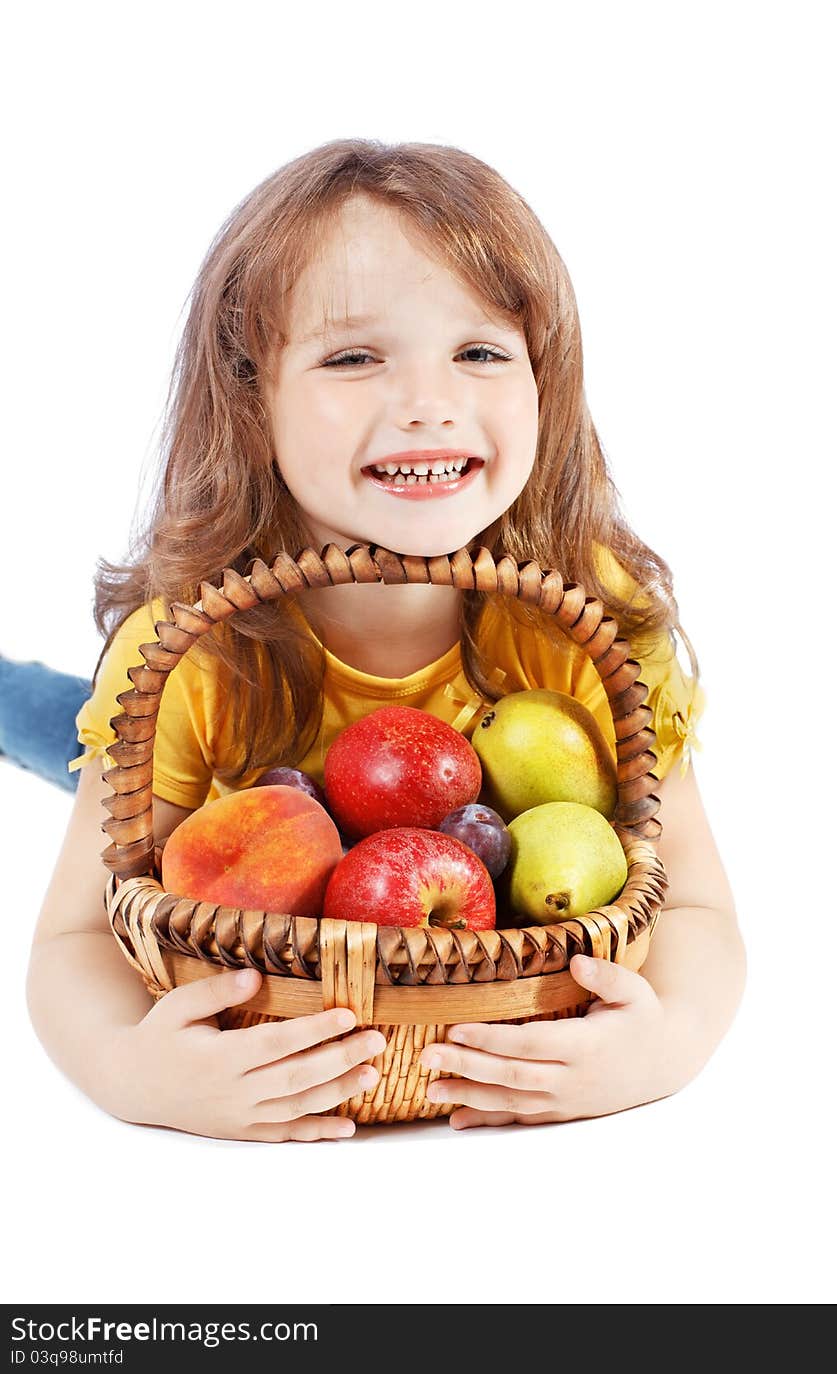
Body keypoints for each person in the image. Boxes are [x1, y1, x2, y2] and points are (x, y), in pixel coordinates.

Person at [19, 138, 745, 1142]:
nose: (427, 402)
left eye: (481, 351)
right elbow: (72, 936)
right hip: (222, 788)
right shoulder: (191, 651)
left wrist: (667, 1043)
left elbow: (699, 910)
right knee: (55, 723)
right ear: (250, 392)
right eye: (354, 356)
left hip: (410, 872)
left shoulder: (585, 626)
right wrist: (128, 1071)